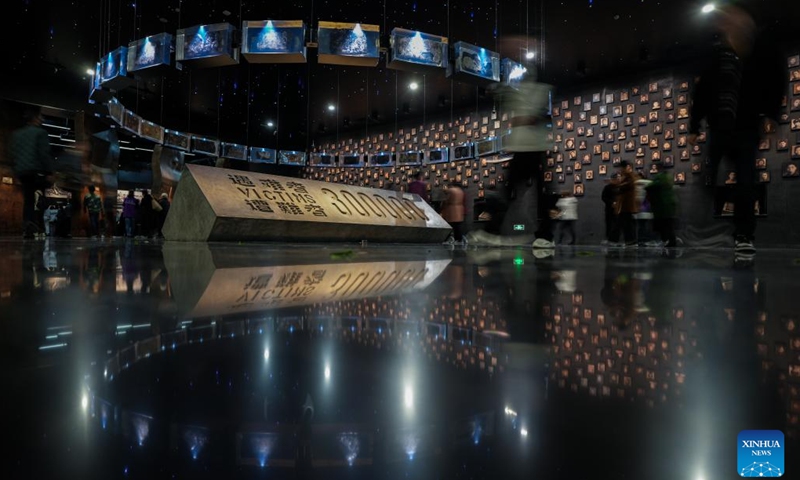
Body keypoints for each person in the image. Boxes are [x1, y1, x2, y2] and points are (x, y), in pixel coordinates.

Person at [689, 4, 784, 260]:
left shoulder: (762, 50)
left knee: (746, 181)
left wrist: (772, 114)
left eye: (734, 18)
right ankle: (722, 219)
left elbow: (777, 79)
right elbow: (701, 92)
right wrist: (694, 126)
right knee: (708, 178)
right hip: (719, 127)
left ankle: (743, 235)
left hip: (746, 129)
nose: (729, 22)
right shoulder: (716, 56)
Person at [492, 35, 555, 248]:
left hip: (533, 149)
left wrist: (521, 118)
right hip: (525, 149)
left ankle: (544, 235)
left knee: (529, 191)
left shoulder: (539, 91)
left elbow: (533, 117)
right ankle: (542, 235)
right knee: (516, 189)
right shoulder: (522, 92)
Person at [9, 107, 53, 238]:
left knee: (28, 198)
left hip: (22, 171)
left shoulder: (16, 134)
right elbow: (44, 154)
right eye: (40, 116)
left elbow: (12, 154)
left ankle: (28, 224)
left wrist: (15, 171)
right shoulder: (40, 133)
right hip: (36, 171)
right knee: (42, 198)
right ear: (36, 118)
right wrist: (50, 171)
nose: (42, 119)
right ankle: (37, 223)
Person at [645, 163, 678, 247]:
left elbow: (651, 186)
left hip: (662, 205)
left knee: (663, 225)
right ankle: (671, 241)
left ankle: (667, 241)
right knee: (669, 225)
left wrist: (647, 187)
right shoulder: (668, 177)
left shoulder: (661, 177)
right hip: (669, 205)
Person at [610, 161, 639, 247]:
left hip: (627, 204)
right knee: (625, 224)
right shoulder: (626, 176)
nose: (620, 170)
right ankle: (629, 241)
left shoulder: (629, 176)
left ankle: (616, 240)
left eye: (622, 168)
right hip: (625, 205)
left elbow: (626, 185)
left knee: (623, 223)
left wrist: (616, 184)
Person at [601, 178, 619, 243]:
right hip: (610, 208)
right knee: (609, 223)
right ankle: (609, 238)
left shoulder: (620, 187)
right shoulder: (608, 187)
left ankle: (615, 239)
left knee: (617, 224)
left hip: (618, 208)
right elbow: (604, 197)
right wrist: (611, 203)